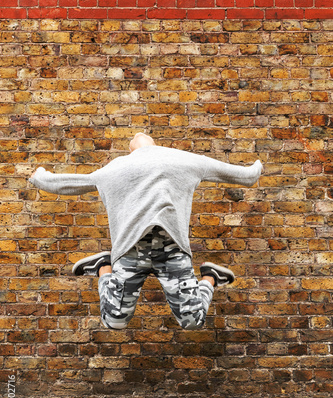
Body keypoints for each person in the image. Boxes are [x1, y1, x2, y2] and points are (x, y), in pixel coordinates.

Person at [29, 132, 262, 331]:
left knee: (118, 322)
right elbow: (245, 176)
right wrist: (258, 166)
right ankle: (103, 267)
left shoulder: (139, 165)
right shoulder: (180, 161)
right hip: (132, 249)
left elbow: (69, 183)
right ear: (152, 143)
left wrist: (39, 177)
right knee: (183, 321)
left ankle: (211, 276)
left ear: (132, 149)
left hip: (170, 250)